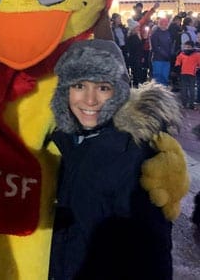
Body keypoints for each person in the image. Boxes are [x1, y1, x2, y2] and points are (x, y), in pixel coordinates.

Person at [48, 40, 176, 279]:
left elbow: (153, 255)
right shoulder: (60, 141)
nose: (90, 100)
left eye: (103, 88)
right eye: (79, 85)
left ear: (119, 90)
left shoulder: (138, 154)